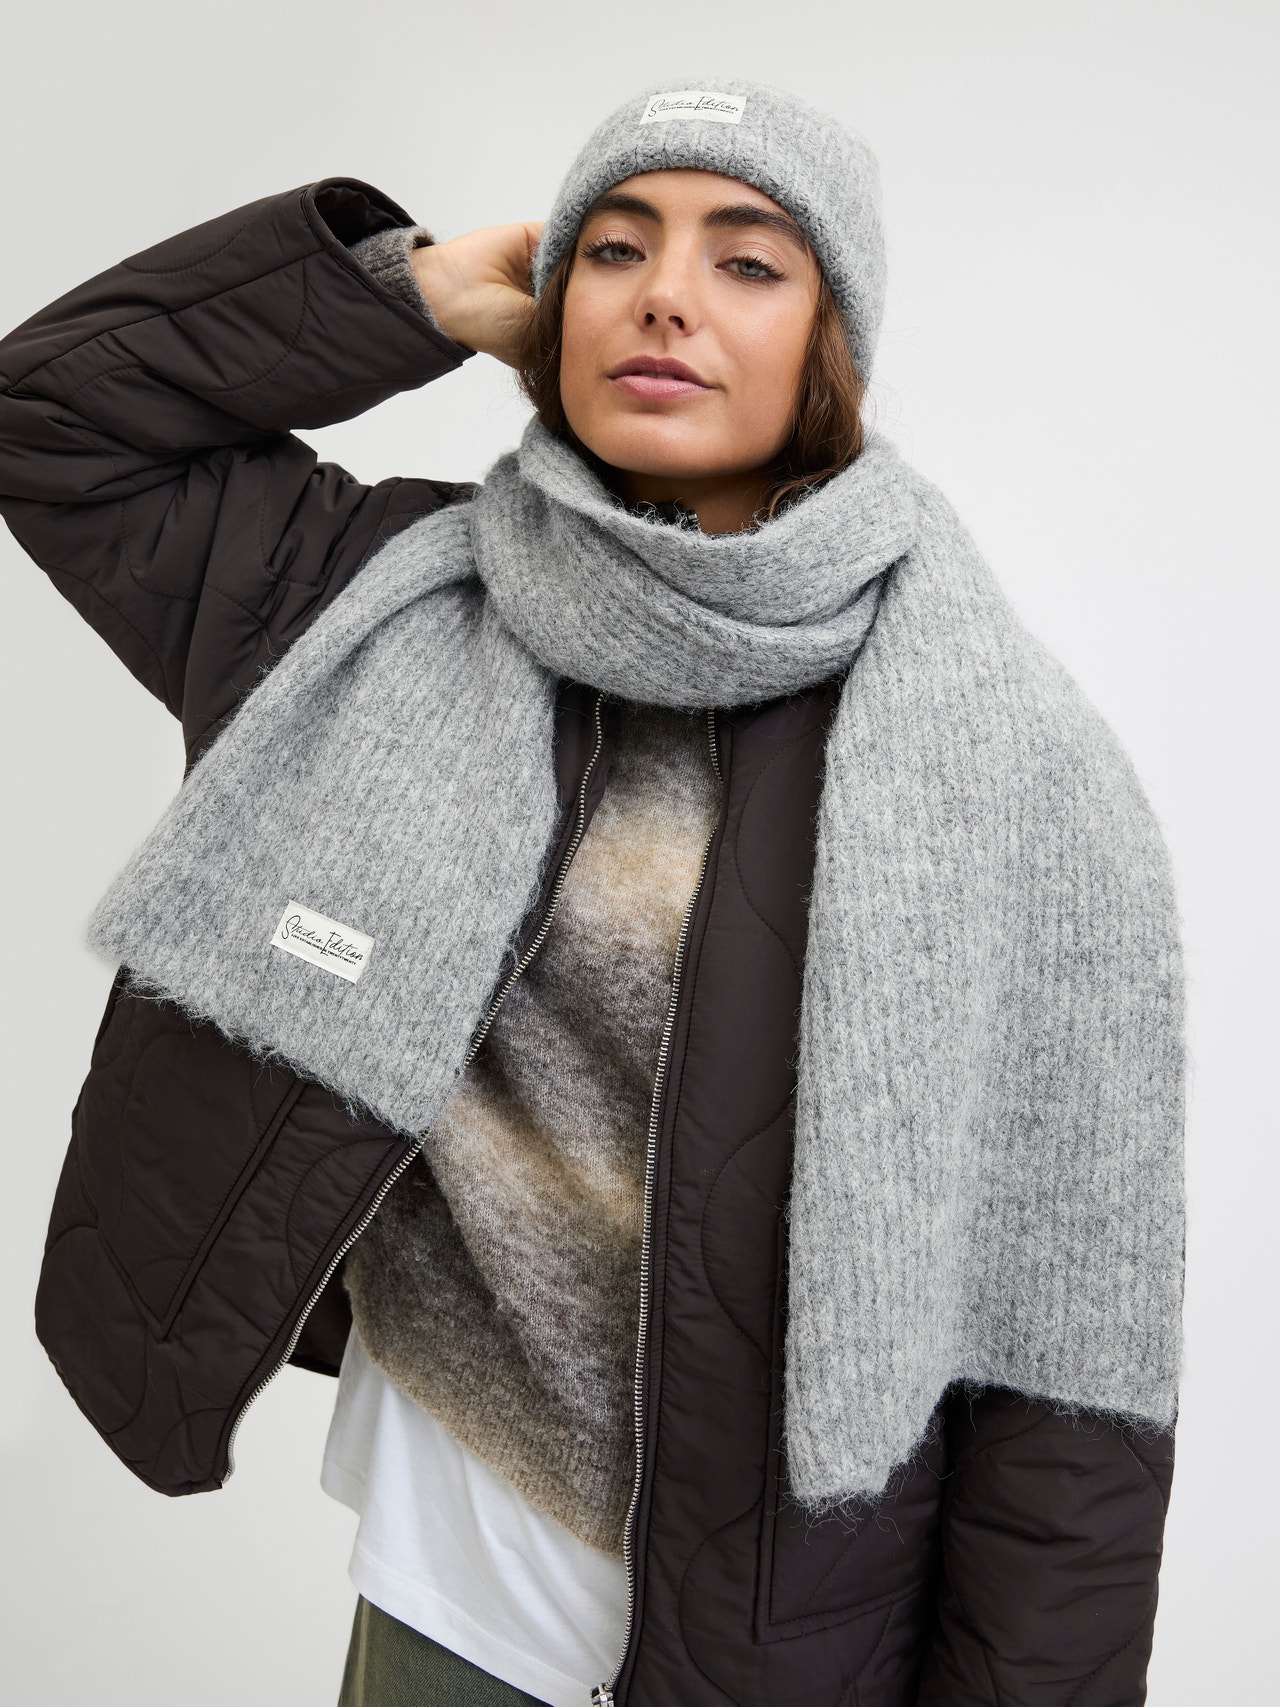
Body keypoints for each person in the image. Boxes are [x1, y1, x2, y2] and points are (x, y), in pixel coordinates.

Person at [0, 78, 1184, 1707]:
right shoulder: (368, 603)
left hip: (788, 1626)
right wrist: (409, 294)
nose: (666, 296)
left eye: (749, 262)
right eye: (615, 249)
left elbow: (1066, 1336)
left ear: (832, 344)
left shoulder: (1014, 764)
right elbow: (51, 419)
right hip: (453, 1563)